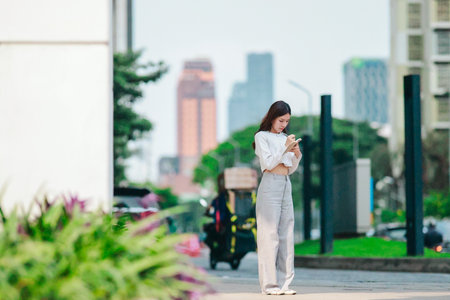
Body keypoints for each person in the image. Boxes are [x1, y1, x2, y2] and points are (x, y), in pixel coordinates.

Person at [252, 100, 302, 295]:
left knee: (286, 235)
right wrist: (285, 149)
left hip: (285, 185)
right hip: (270, 184)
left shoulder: (284, 139)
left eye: (287, 121)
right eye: (281, 120)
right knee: (269, 235)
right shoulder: (261, 137)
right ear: (272, 117)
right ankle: (270, 285)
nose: (283, 125)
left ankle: (285, 284)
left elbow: (290, 169)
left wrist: (296, 154)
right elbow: (269, 163)